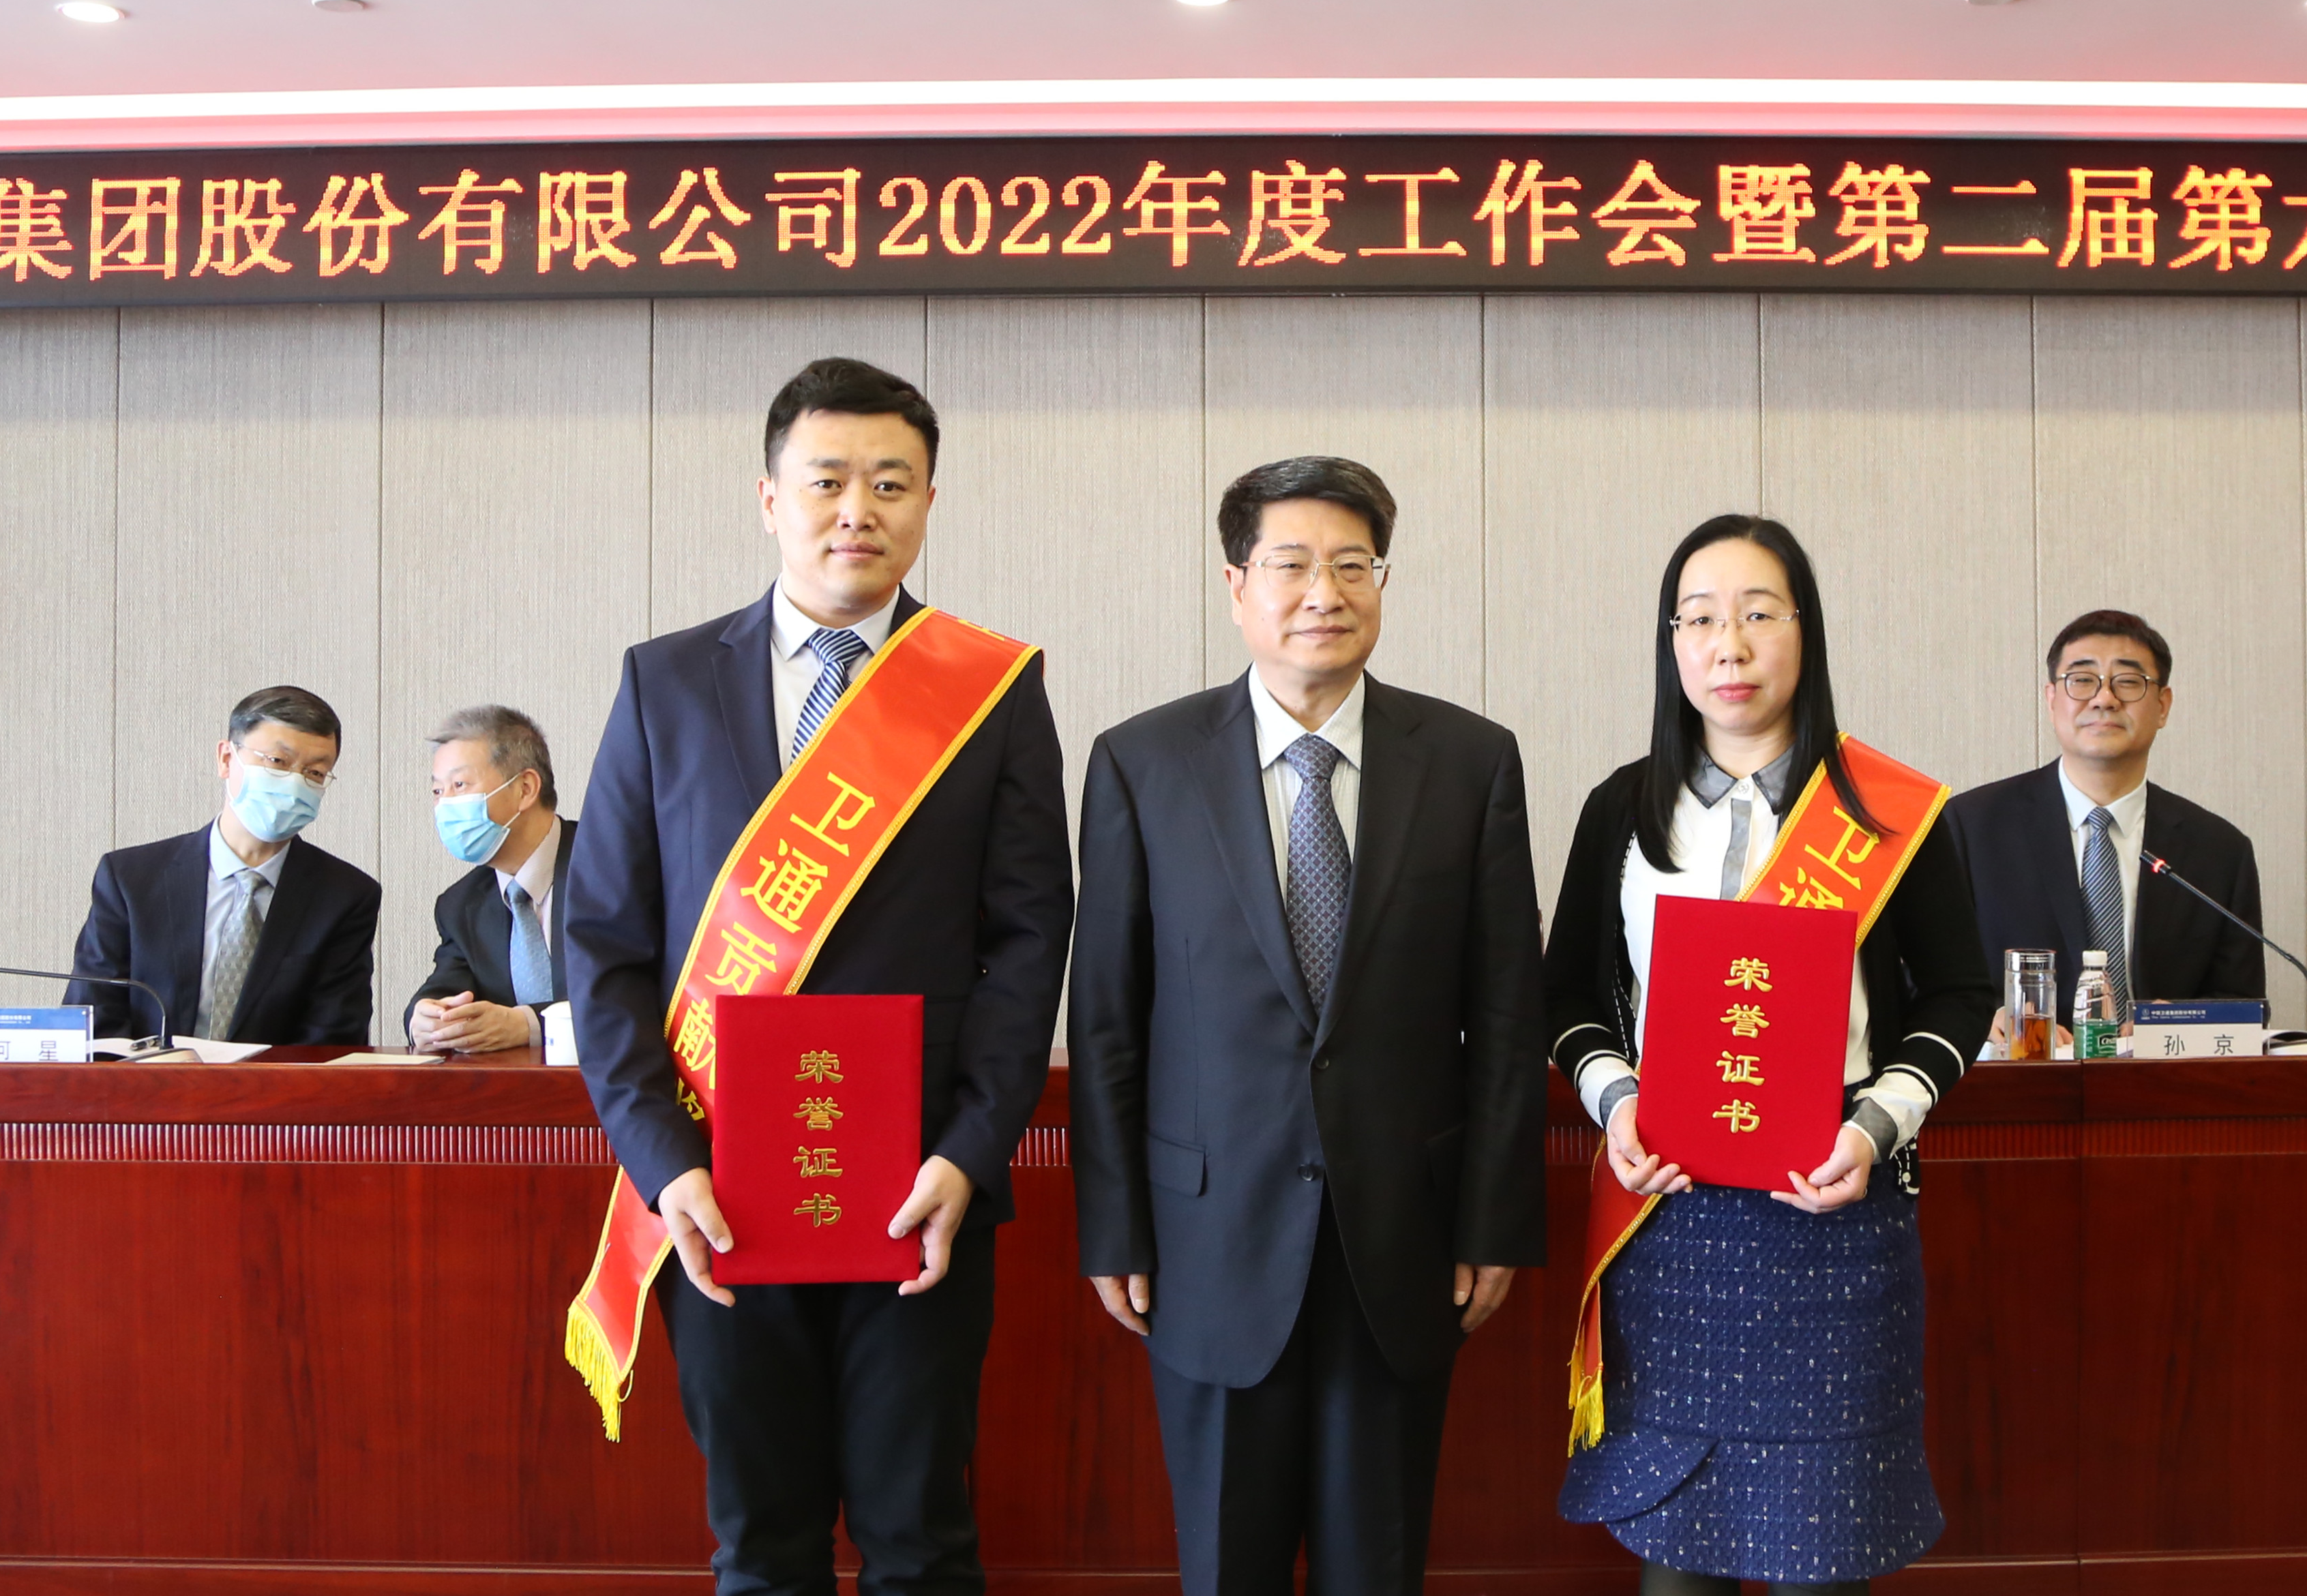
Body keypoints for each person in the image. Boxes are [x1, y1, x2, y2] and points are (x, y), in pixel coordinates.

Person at [567, 358, 1072, 1596]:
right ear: (768, 497)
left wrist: (969, 1152)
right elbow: (607, 947)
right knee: (762, 1546)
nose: (859, 509)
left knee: (921, 1543)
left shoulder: (991, 690)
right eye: (828, 480)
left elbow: (1027, 943)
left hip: (918, 1194)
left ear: (929, 503)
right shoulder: (665, 682)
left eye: (891, 484)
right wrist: (664, 1163)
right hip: (718, 1190)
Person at [1069, 455, 1545, 1596]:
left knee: (1375, 1567)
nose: (1323, 592)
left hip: (1405, 1243)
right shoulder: (1142, 762)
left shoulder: (1471, 762)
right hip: (1206, 1244)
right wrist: (1114, 1226)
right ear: (1238, 585)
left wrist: (1494, 1219)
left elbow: (1506, 1015)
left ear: (1381, 582)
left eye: (1352, 564)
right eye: (1290, 564)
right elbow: (1107, 1020)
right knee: (1225, 1565)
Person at [1543, 515, 1990, 1596]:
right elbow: (1565, 1000)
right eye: (1698, 619)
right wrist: (1616, 1102)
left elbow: (1959, 995)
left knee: (1819, 1555)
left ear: (1804, 631)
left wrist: (1875, 1126)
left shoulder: (1885, 814)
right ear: (1671, 643)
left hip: (1833, 1208)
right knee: (1677, 1562)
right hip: (1671, 1215)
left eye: (1756, 615)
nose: (1727, 645)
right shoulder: (1620, 809)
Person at [1945, 609, 2264, 1036]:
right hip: (2019, 1069)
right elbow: (1925, 985)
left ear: (2163, 706)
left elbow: (2242, 1006)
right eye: (2082, 680)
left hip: (2158, 1073)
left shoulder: (2220, 850)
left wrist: (2181, 1025)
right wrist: (1985, 1022)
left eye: (2128, 682)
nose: (2104, 699)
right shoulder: (1970, 827)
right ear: (2052, 699)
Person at [65, 685, 378, 1046]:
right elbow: (94, 1020)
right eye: (278, 762)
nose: (295, 784)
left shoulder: (345, 896)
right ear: (227, 759)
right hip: (146, 1079)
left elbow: (332, 1039)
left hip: (276, 1083)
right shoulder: (131, 878)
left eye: (315, 773)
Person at [404, 704, 572, 1053]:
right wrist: (426, 1017)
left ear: (525, 788)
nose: (445, 805)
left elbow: (644, 991)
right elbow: (447, 985)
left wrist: (529, 1025)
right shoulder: (461, 903)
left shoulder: (613, 868)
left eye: (459, 785)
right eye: (438, 791)